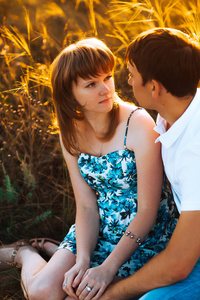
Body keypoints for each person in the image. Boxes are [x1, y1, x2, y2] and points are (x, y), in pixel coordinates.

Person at [0, 37, 177, 300]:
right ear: (69, 94)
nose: (106, 89)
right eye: (91, 84)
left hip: (143, 238)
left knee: (78, 298)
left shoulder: (138, 124)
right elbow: (85, 205)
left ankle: (52, 250)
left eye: (107, 77)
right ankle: (26, 253)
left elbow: (148, 211)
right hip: (95, 229)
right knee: (42, 292)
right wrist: (82, 260)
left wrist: (107, 268)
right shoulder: (70, 132)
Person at [99, 28, 200, 300]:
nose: (128, 80)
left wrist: (112, 295)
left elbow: (178, 264)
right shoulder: (172, 117)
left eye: (131, 73)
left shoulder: (195, 150)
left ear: (154, 87)